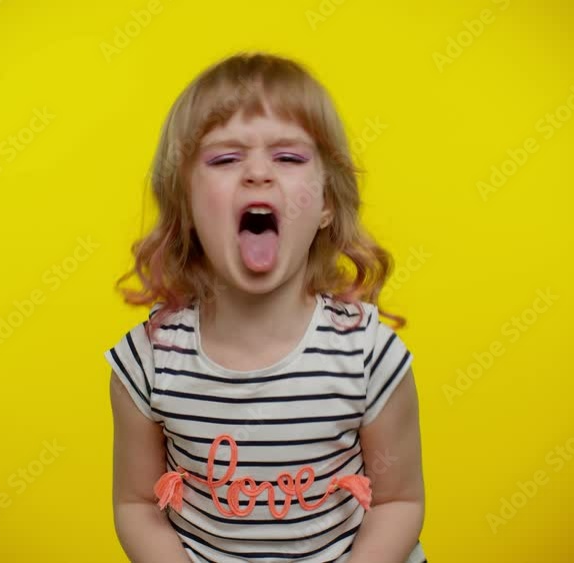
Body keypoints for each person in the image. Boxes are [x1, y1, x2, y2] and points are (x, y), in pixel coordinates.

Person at [105, 52, 426, 563]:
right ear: (186, 206)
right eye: (225, 159)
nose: (258, 173)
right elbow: (136, 504)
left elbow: (399, 502)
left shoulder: (368, 356)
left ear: (325, 204)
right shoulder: (148, 362)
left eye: (290, 158)